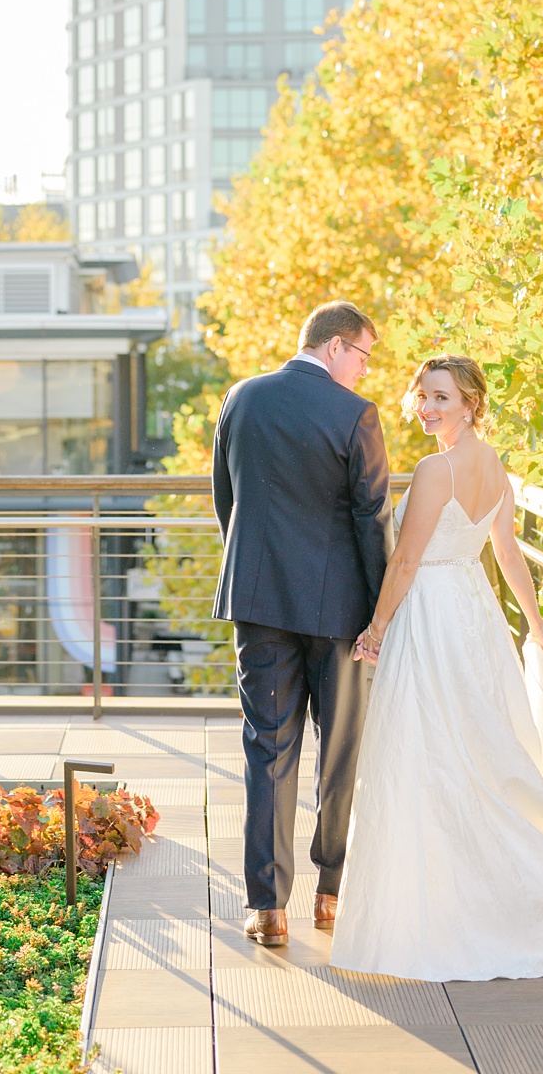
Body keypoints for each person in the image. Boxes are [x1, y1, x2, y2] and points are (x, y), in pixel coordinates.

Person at [332, 355, 543, 980]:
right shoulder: (495, 467)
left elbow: (406, 562)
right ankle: (480, 896)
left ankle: (442, 913)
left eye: (441, 396)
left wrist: (376, 628)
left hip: (434, 616)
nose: (427, 407)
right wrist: (534, 620)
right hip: (475, 613)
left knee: (427, 752)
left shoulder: (436, 469)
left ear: (469, 403)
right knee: (475, 753)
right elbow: (507, 553)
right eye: (422, 396)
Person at [212, 300, 391, 948]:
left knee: (268, 751)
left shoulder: (242, 399)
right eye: (365, 356)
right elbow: (373, 520)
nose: (364, 371)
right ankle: (330, 895)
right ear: (339, 346)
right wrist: (382, 615)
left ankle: (267, 908)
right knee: (338, 754)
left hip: (259, 605)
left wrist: (257, 572)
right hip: (340, 612)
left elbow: (224, 501)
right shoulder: (355, 415)